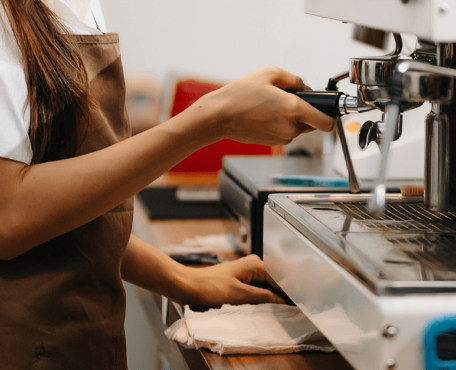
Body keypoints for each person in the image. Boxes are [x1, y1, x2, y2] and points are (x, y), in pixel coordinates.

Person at [0, 0, 334, 368]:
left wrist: (184, 278)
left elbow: (69, 210)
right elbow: (9, 215)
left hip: (82, 340)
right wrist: (211, 119)